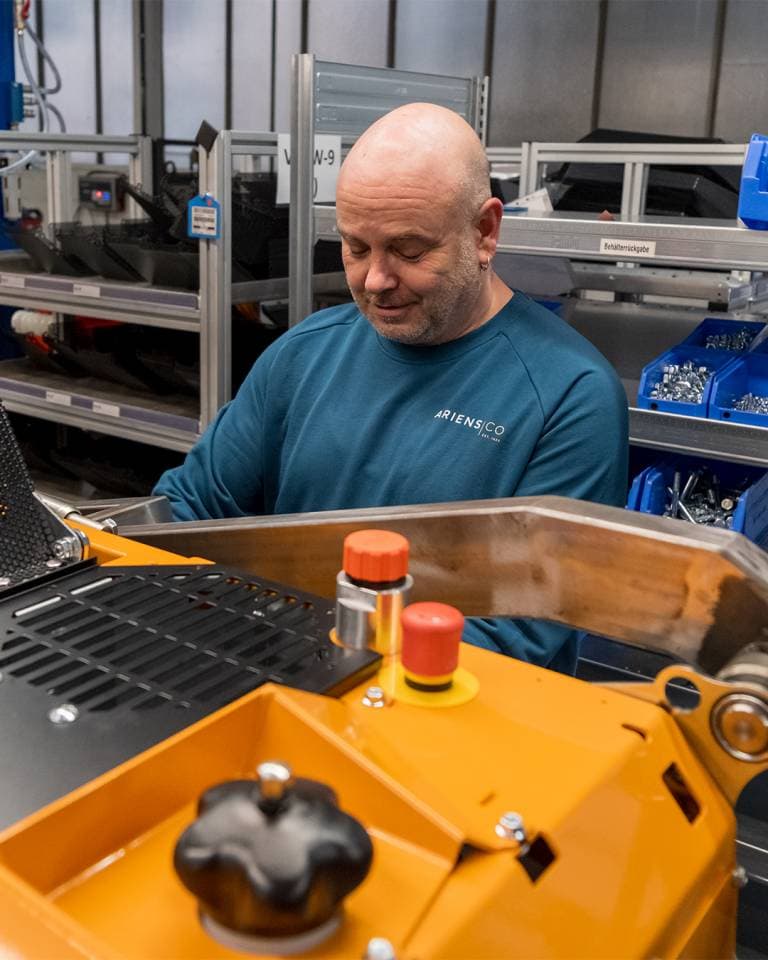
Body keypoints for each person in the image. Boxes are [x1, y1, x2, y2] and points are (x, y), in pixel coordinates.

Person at [154, 103, 628, 674]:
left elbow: (517, 636)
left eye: (408, 250)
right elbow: (191, 511)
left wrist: (330, 655)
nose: (375, 280)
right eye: (355, 248)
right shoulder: (303, 354)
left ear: (484, 232)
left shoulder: (570, 395)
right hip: (281, 679)